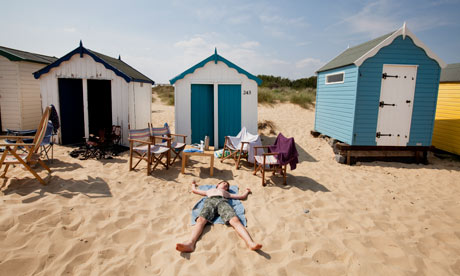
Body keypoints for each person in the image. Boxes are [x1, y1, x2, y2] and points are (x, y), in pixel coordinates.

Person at [176, 180, 262, 253]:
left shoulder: (226, 193)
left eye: (227, 185)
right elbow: (195, 191)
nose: (225, 184)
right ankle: (190, 243)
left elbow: (241, 196)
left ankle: (250, 243)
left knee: (235, 220)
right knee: (201, 220)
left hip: (222, 202)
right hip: (210, 202)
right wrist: (193, 185)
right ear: (217, 185)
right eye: (223, 183)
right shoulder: (209, 191)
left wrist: (247, 191)